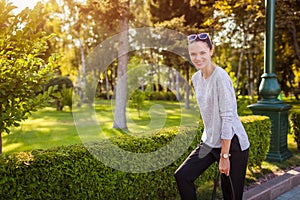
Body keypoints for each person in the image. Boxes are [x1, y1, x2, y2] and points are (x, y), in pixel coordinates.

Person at [174, 33, 250, 200]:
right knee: (183, 176)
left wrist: (225, 156)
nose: (198, 58)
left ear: (211, 52)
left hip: (232, 143)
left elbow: (227, 118)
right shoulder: (196, 78)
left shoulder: (220, 77)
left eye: (202, 52)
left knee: (231, 195)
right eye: (193, 54)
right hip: (210, 141)